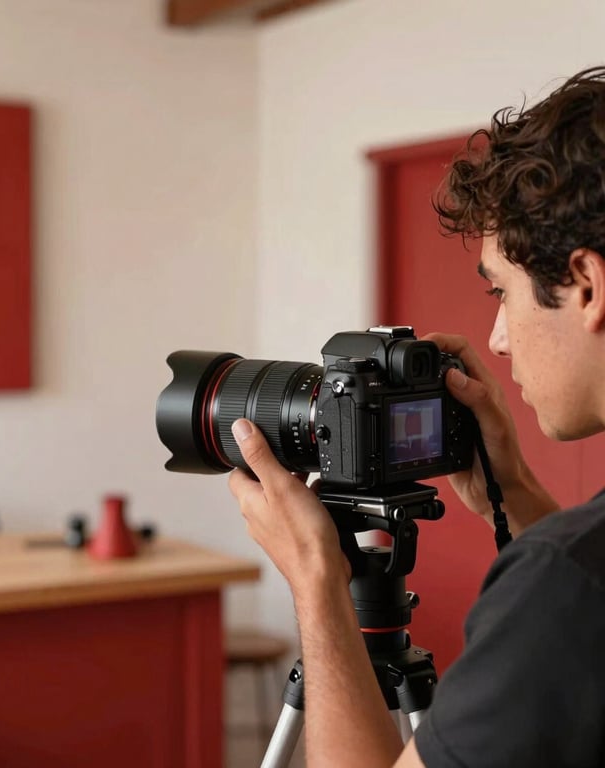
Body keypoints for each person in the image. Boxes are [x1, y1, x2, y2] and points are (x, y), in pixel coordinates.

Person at [228, 65, 605, 767]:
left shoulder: (565, 587)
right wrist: (512, 489)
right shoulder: (576, 577)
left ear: (586, 285)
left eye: (503, 293)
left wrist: (317, 578)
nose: (496, 337)